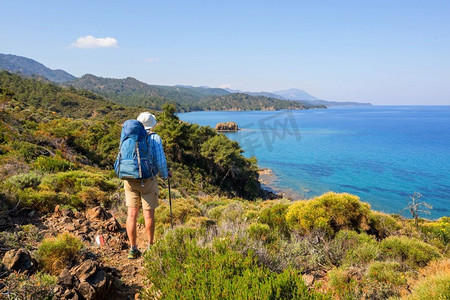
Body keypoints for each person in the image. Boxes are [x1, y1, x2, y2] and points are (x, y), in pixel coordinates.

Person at [124, 112, 170, 259]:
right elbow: (161, 161)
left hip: (129, 179)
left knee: (131, 215)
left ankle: (133, 249)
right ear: (153, 124)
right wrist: (165, 175)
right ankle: (150, 247)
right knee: (148, 214)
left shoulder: (129, 135)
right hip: (147, 180)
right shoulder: (155, 137)